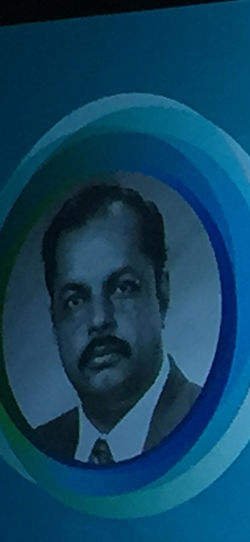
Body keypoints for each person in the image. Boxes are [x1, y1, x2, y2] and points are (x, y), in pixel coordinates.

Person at [28, 181, 200, 466]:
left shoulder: (212, 426)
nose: (99, 320)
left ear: (162, 293)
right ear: (54, 321)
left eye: (122, 288)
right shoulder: (36, 454)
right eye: (75, 301)